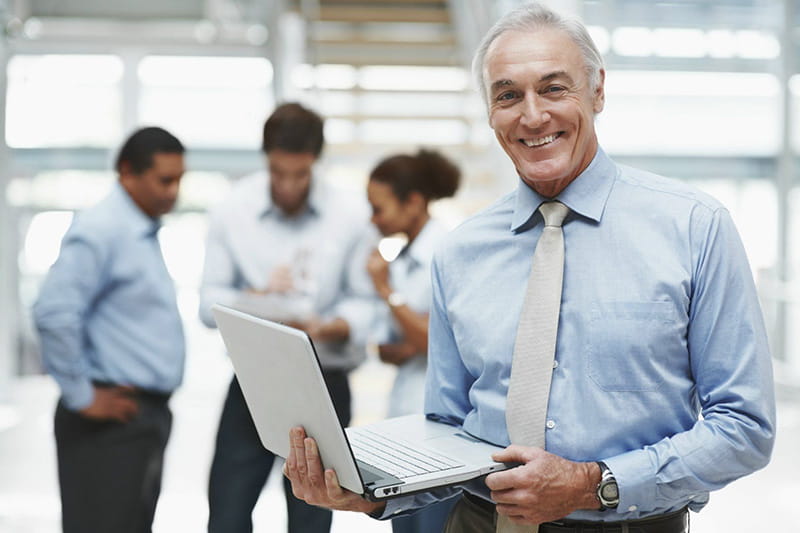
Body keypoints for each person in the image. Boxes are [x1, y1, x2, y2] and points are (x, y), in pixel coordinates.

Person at [283, 3, 777, 533]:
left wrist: (594, 482)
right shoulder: (462, 251)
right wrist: (373, 491)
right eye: (508, 95)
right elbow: (448, 429)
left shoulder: (694, 228)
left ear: (598, 90)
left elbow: (743, 426)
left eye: (555, 88)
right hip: (477, 522)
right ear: (490, 112)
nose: (533, 115)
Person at [199, 102, 375, 533]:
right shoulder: (231, 211)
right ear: (266, 159)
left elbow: (366, 303)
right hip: (253, 383)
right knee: (227, 512)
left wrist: (327, 326)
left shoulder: (351, 215)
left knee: (312, 519)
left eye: (300, 174)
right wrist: (256, 300)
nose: (290, 186)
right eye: (279, 173)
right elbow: (208, 305)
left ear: (315, 162)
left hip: (325, 381)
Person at [33, 127, 186, 533]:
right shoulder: (104, 228)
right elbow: (53, 312)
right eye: (164, 180)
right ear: (127, 173)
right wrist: (82, 396)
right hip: (109, 421)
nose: (174, 191)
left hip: (139, 417)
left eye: (179, 179)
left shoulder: (139, 230)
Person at [365, 149, 461, 533]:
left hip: (442, 433)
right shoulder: (401, 259)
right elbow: (389, 348)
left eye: (379, 208)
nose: (373, 220)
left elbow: (430, 343)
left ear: (414, 202)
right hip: (404, 421)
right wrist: (416, 333)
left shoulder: (449, 252)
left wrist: (386, 290)